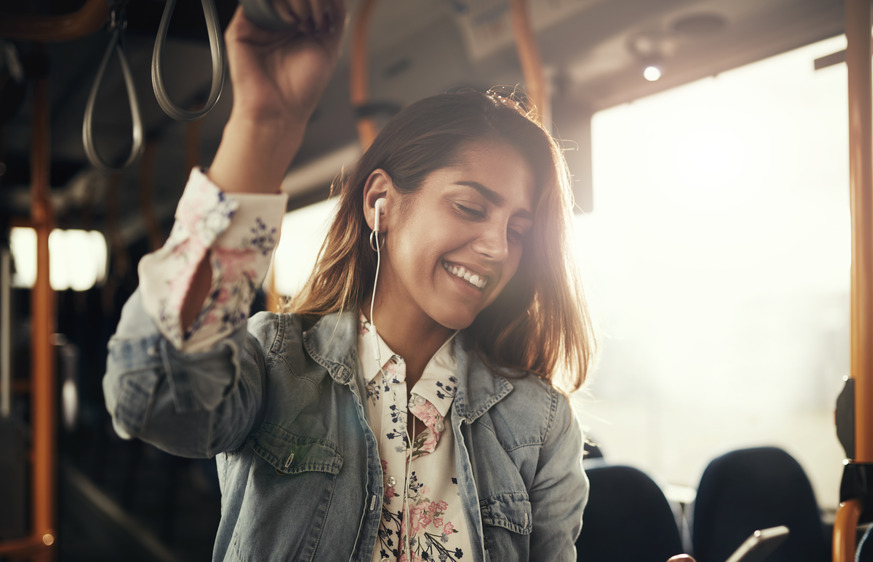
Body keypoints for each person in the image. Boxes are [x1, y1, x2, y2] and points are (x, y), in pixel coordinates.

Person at [102, 1, 597, 560]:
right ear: (380, 202)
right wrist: (264, 128)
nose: (497, 246)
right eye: (468, 207)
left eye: (519, 229)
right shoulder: (278, 361)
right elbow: (153, 396)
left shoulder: (541, 420)